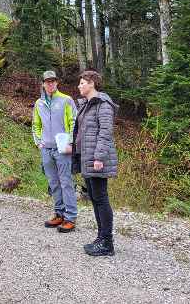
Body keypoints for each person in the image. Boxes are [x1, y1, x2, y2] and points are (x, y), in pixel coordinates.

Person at [73, 70, 118, 256]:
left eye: (82, 83)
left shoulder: (103, 104)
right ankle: (101, 237)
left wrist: (99, 157)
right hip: (87, 158)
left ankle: (107, 243)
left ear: (92, 83)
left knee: (101, 198)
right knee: (94, 198)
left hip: (97, 159)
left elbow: (105, 132)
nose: (79, 86)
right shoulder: (87, 105)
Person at [32, 70, 77, 233]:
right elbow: (35, 124)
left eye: (53, 81)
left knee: (66, 182)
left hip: (63, 147)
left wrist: (71, 142)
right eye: (47, 81)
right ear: (43, 84)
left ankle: (70, 217)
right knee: (53, 183)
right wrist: (39, 142)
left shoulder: (66, 100)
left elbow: (74, 122)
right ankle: (59, 213)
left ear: (57, 83)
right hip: (46, 148)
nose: (50, 84)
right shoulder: (39, 103)